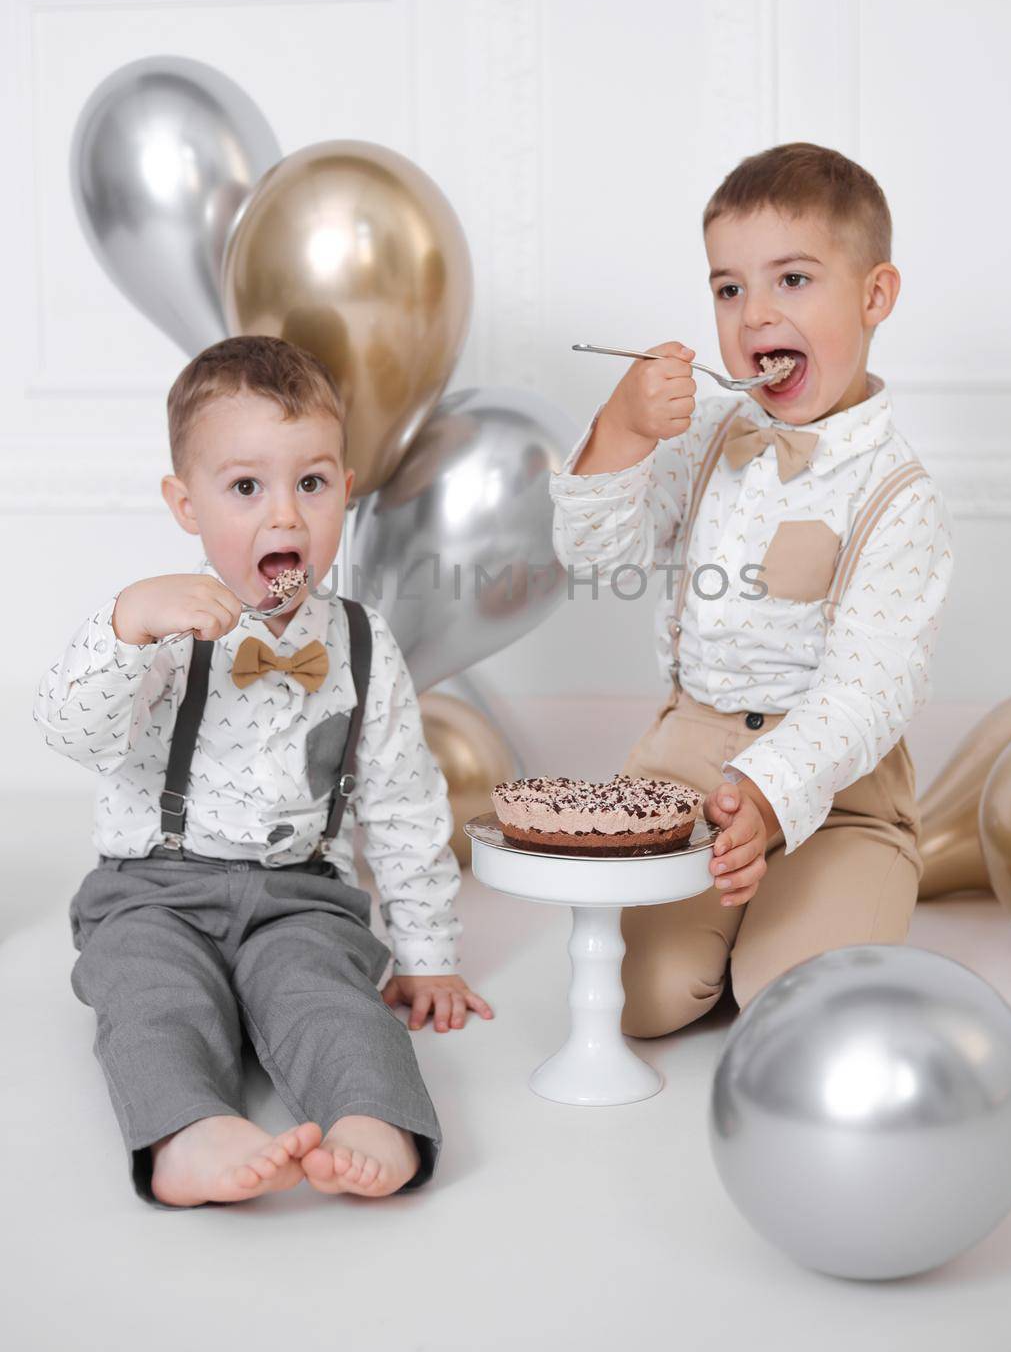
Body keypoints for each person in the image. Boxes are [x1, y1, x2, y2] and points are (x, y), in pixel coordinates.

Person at [34, 334, 492, 1209]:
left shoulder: (360, 642)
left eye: (310, 484)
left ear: (346, 493)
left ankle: (372, 1116)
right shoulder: (157, 625)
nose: (284, 517)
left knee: (331, 998)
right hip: (150, 891)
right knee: (151, 997)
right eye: (246, 488)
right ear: (186, 504)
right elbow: (71, 731)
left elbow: (401, 799)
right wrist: (125, 625)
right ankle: (185, 1133)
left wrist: (428, 954)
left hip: (299, 893)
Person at [549, 141, 954, 1035]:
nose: (754, 313)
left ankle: (821, 904)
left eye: (793, 281)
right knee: (632, 1002)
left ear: (874, 295)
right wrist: (619, 432)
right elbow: (593, 554)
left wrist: (770, 796)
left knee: (793, 1005)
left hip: (836, 791)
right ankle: (714, 934)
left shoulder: (897, 494)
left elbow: (868, 688)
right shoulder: (705, 440)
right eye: (728, 289)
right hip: (683, 760)